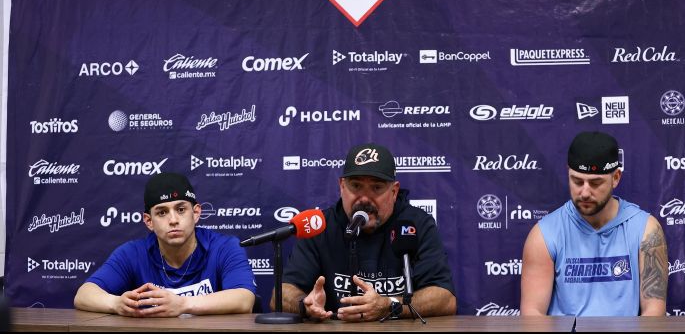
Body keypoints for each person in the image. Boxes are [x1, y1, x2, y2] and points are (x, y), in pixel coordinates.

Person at [274, 143, 456, 322]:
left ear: (394, 191)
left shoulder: (415, 224)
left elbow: (445, 299)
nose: (364, 199)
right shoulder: (320, 225)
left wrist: (390, 305)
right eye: (356, 186)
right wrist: (305, 304)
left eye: (376, 187)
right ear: (342, 186)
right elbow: (281, 295)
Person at [520, 131, 667, 316]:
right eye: (577, 181)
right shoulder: (544, 234)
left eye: (595, 183)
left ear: (616, 178)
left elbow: (654, 313)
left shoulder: (646, 230)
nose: (585, 192)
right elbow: (532, 315)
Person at [74, 172, 256, 317]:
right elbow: (84, 295)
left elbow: (244, 299)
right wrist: (116, 304)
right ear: (148, 221)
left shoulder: (225, 247)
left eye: (181, 209)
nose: (173, 220)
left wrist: (183, 304)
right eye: (162, 213)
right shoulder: (132, 253)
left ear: (196, 213)